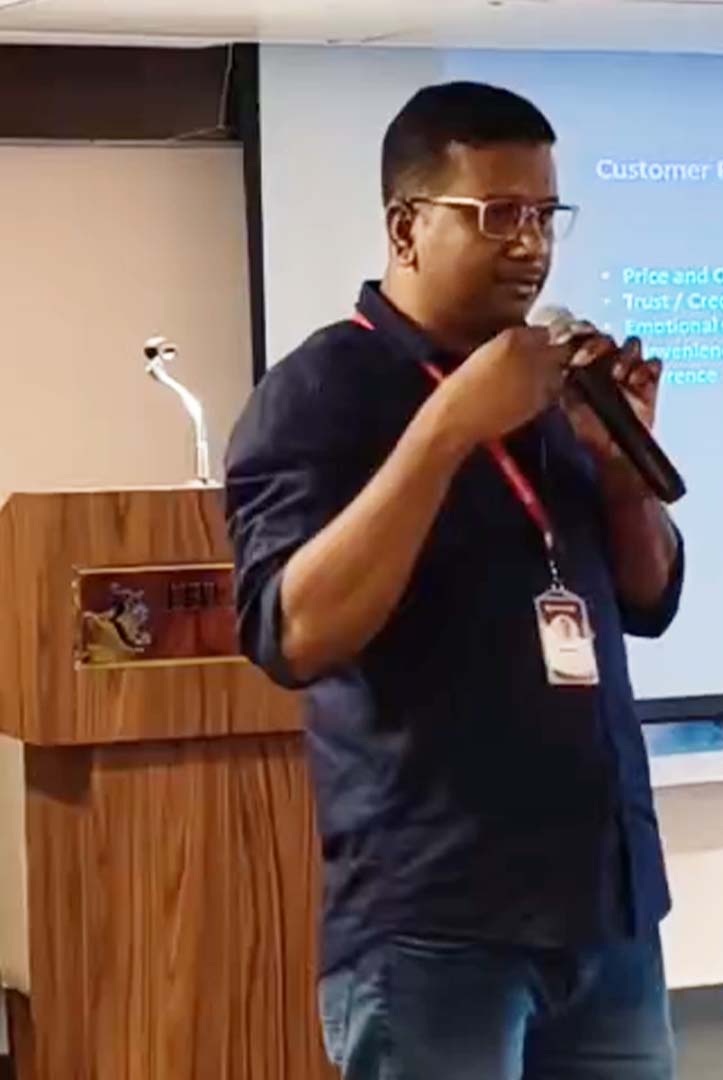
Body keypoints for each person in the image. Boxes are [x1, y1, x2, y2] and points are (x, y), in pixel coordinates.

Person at [225, 80, 684, 1080]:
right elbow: (292, 635)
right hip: (438, 920)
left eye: (545, 214)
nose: (531, 244)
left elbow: (648, 598)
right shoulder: (320, 394)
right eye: (497, 215)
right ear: (406, 226)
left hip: (604, 902)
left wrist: (620, 478)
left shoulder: (551, 382)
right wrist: (446, 430)